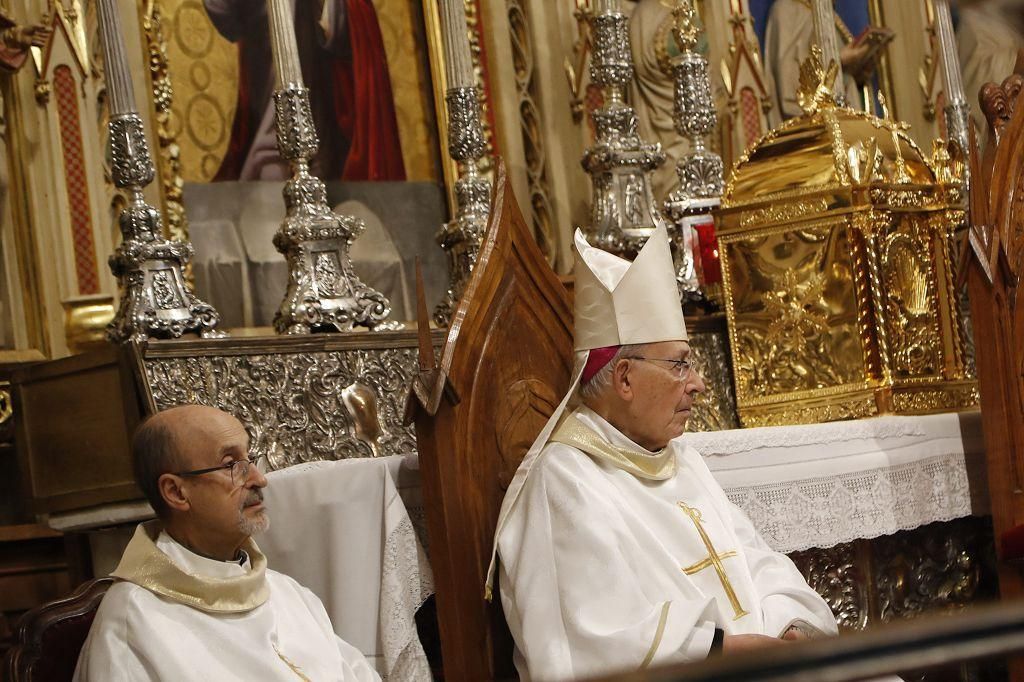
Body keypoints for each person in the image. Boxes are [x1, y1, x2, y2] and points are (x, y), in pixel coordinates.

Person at [489, 225, 839, 680]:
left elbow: (756, 560)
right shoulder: (566, 480)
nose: (697, 383)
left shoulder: (681, 458)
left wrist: (792, 627)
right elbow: (594, 638)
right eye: (679, 364)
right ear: (625, 379)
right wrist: (724, 651)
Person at [74, 405, 378, 681]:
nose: (259, 479)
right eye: (231, 463)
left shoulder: (288, 593)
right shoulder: (135, 623)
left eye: (250, 458)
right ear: (176, 492)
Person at [204, 0, 405, 182]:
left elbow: (349, 21)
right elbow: (226, 16)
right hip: (269, 101)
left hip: (326, 112)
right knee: (271, 163)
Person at [765, 0, 893, 119]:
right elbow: (790, 85)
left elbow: (843, 78)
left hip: (843, 114)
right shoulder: (785, 11)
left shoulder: (825, 16)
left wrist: (860, 65)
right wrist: (839, 60)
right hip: (815, 122)